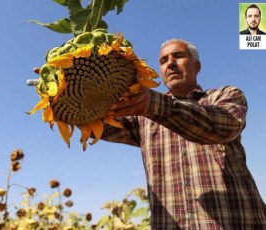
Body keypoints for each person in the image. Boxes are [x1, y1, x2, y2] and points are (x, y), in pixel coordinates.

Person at [102, 39, 266, 229]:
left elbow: (223, 126)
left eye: (178, 56)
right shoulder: (143, 118)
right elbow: (97, 121)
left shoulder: (226, 96)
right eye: (163, 60)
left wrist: (153, 105)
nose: (170, 63)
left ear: (196, 66)